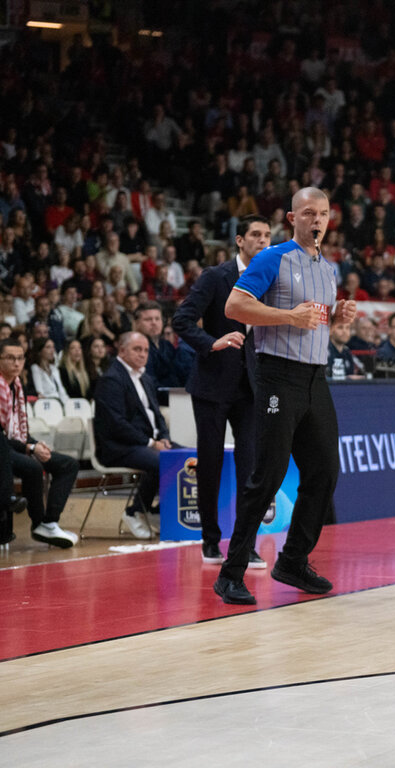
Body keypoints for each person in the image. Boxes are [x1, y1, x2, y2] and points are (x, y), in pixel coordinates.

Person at [213, 187, 357, 605]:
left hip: (315, 379)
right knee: (268, 477)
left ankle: (292, 559)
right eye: (309, 213)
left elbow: (316, 321)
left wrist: (339, 316)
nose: (317, 220)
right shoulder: (272, 258)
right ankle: (231, 572)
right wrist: (287, 317)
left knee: (325, 471)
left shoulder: (328, 269)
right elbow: (235, 306)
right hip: (278, 376)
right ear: (292, 219)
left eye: (324, 213)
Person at [172, 214, 272, 567]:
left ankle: (246, 543)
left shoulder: (273, 279)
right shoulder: (216, 277)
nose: (263, 240)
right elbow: (181, 320)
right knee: (211, 465)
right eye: (256, 235)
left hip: (251, 387)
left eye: (267, 235)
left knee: (251, 469)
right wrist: (212, 342)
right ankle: (210, 540)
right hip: (213, 384)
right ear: (240, 240)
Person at [93, 331, 178, 538]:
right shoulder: (111, 379)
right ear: (122, 351)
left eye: (146, 350)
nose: (143, 354)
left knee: (187, 457)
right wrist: (151, 442)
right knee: (163, 461)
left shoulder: (145, 378)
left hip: (147, 443)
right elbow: (116, 424)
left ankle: (159, 511)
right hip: (119, 446)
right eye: (137, 349)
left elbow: (158, 416)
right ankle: (135, 511)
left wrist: (164, 437)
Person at [0, 338, 80, 547]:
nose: (16, 363)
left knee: (68, 464)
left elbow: (17, 429)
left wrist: (35, 444)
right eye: (10, 358)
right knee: (33, 467)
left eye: (20, 358)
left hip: (16, 444)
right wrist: (30, 448)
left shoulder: (17, 385)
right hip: (3, 449)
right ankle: (36, 522)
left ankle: (49, 522)